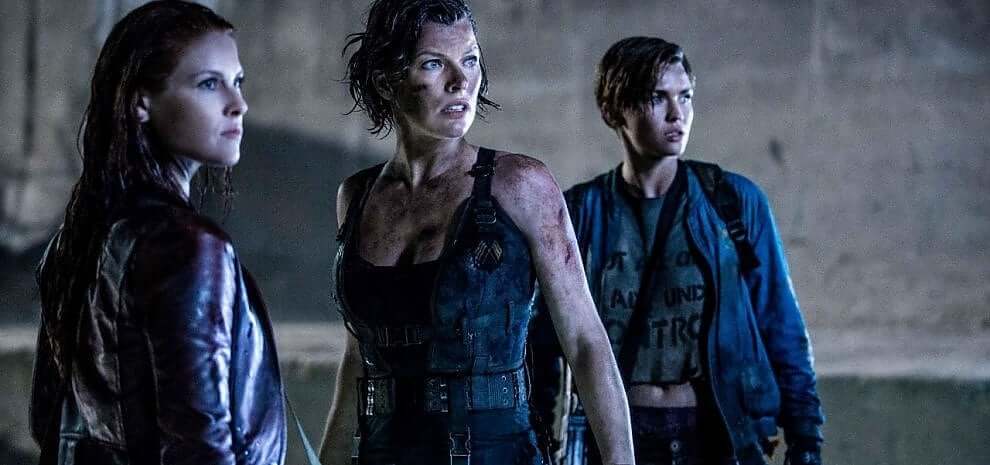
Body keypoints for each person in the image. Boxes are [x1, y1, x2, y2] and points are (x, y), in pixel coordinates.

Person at [317, 1, 635, 464]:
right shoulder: (357, 196)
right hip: (385, 452)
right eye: (433, 63)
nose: (460, 81)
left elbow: (586, 342)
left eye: (469, 59)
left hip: (496, 451)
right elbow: (357, 357)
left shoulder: (521, 184)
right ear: (387, 79)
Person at [530, 37, 825, 465]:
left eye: (685, 96)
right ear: (614, 110)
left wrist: (806, 439)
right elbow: (543, 345)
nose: (677, 114)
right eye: (657, 98)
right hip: (617, 438)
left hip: (715, 435)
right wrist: (539, 443)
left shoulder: (733, 203)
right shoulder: (578, 214)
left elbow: (780, 326)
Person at [29, 2, 286, 464]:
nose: (238, 104)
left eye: (238, 81)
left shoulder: (75, 240)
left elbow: (47, 421)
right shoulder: (188, 246)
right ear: (141, 102)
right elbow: (201, 448)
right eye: (209, 83)